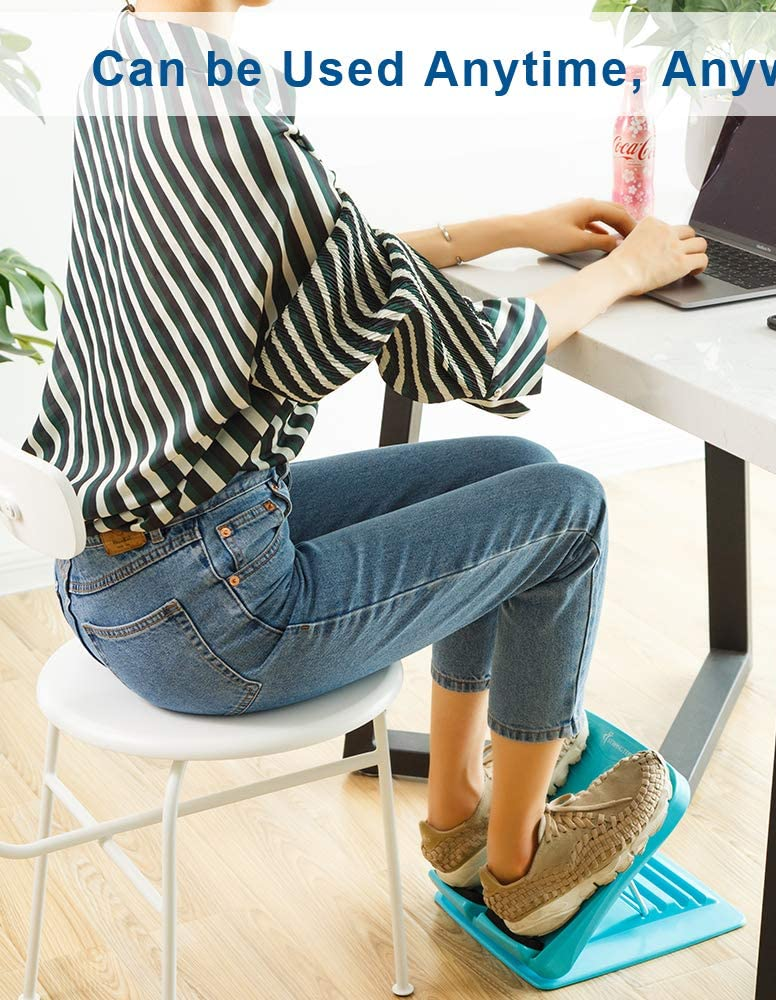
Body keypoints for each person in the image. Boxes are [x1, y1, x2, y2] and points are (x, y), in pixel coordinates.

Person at [26, 0, 708, 936]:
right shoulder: (234, 126)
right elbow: (471, 354)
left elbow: (325, 278)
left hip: (126, 575)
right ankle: (523, 868)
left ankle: (458, 816)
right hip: (218, 619)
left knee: (514, 471)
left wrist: (511, 227)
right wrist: (629, 269)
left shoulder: (132, 68)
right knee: (571, 508)